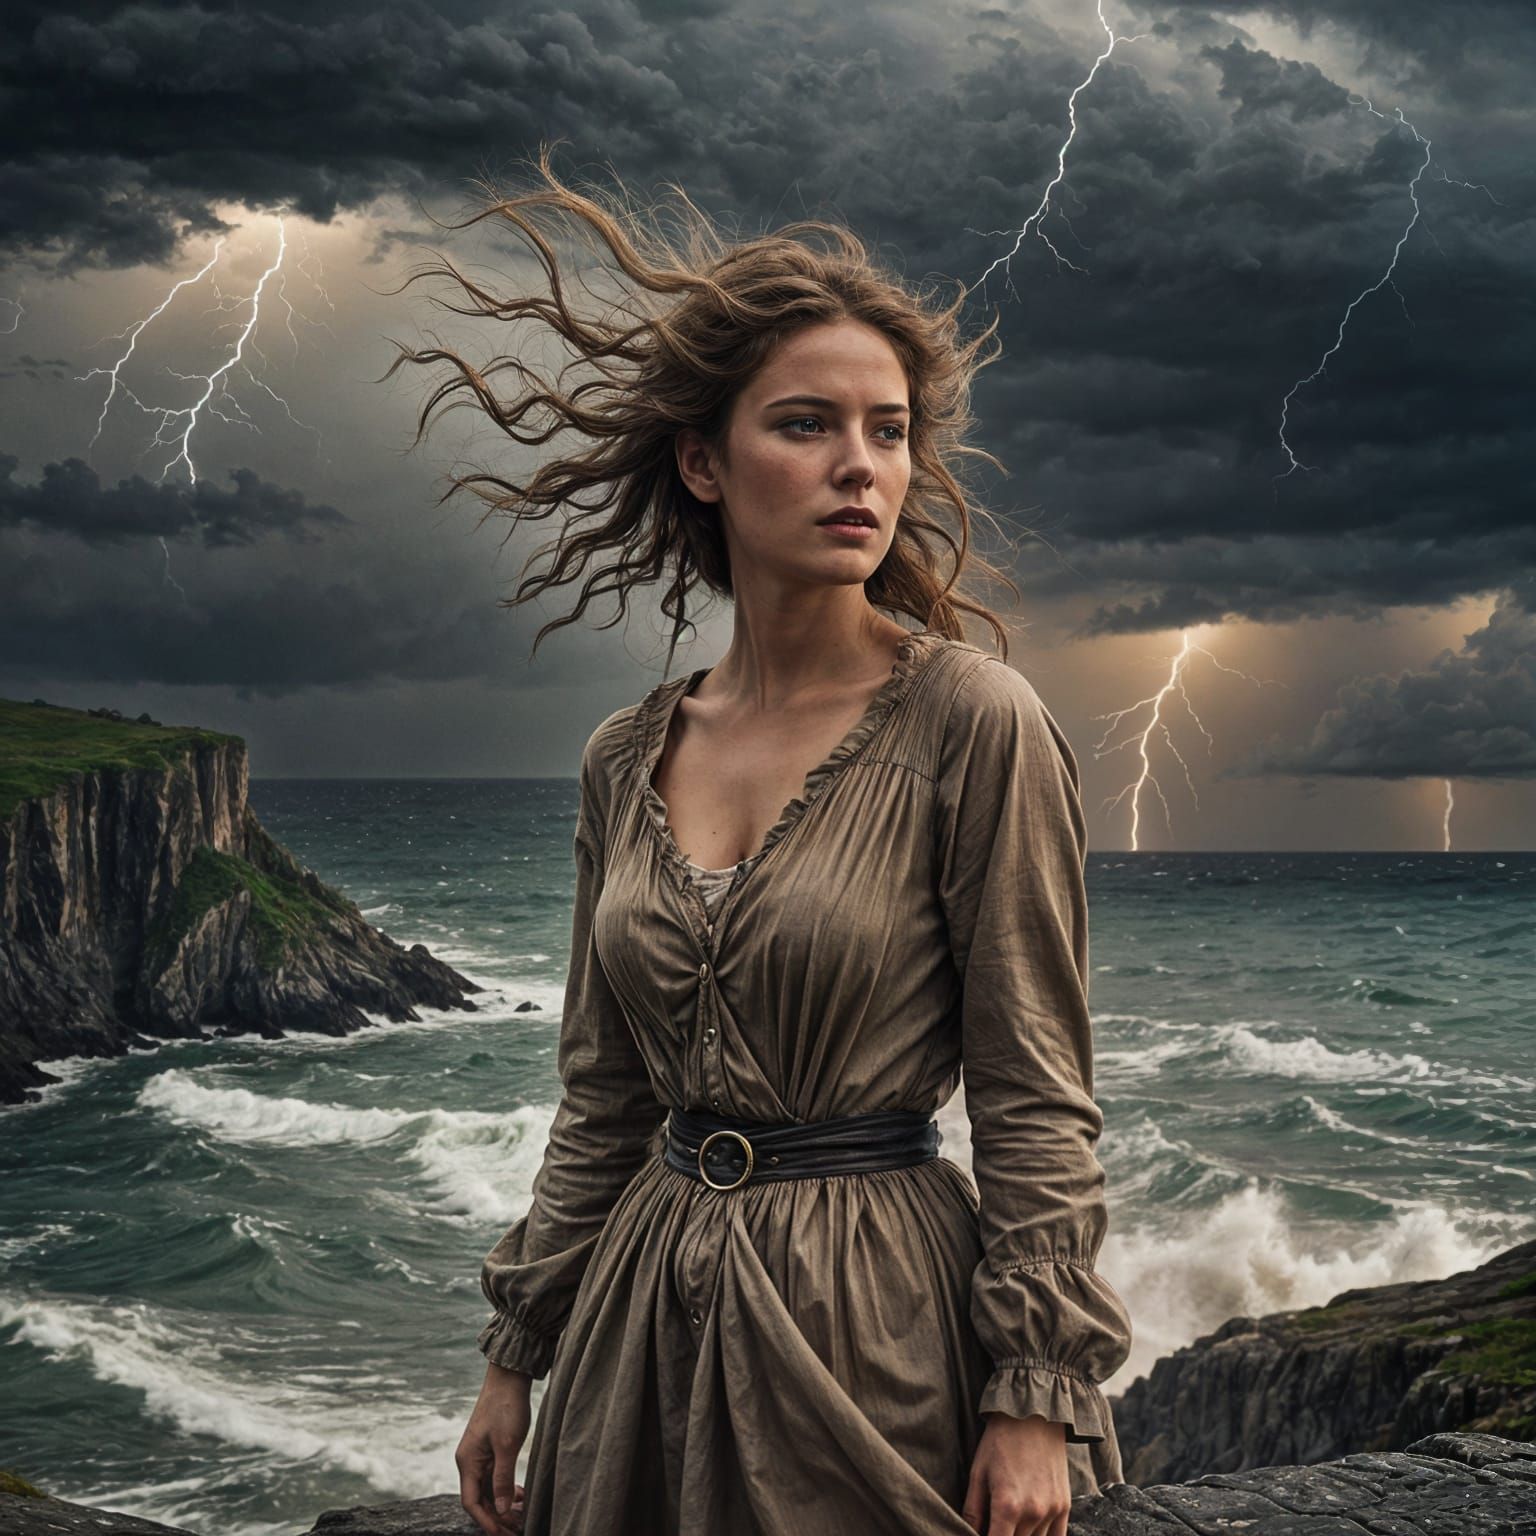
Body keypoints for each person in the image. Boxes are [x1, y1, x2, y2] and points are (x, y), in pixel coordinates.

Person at [388, 145, 1134, 1536]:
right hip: (641, 1329)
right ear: (703, 462)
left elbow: (1035, 1091)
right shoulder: (625, 756)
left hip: (876, 1327)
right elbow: (605, 1096)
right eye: (807, 425)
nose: (862, 466)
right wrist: (514, 1354)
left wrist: (1035, 1394)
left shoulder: (975, 721)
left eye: (891, 430)